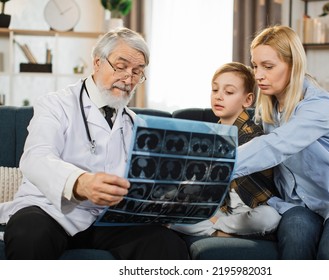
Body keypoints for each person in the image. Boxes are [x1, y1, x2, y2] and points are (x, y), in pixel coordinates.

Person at [0, 27, 188, 260]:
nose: (128, 78)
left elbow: (146, 180)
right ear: (97, 63)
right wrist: (80, 182)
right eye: (121, 67)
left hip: (106, 219)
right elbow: (36, 158)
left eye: (137, 72)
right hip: (49, 210)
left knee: (165, 244)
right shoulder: (55, 105)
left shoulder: (136, 124)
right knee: (29, 233)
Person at [232, 25, 329, 259]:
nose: (258, 75)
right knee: (295, 239)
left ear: (293, 66)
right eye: (255, 65)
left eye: (268, 66)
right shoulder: (268, 109)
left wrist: (219, 164)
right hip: (300, 206)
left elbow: (276, 145)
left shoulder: (318, 105)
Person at [170, 62, 281, 237]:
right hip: (221, 210)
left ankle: (217, 229)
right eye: (215, 90)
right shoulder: (209, 135)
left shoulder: (255, 137)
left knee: (269, 217)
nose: (219, 96)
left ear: (247, 100)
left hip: (250, 211)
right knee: (167, 210)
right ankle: (224, 232)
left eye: (228, 92)